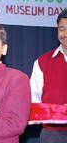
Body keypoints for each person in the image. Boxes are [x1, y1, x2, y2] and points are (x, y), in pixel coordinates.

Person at [30, 9, 67, 143]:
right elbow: (33, 99)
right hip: (52, 134)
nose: (65, 34)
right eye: (62, 29)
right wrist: (57, 112)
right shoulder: (42, 62)